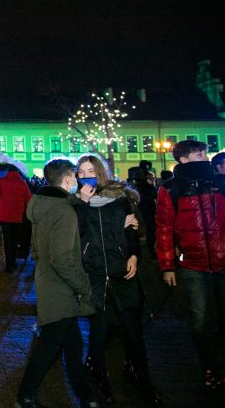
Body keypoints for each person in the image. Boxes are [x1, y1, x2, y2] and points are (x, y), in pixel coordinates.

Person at [75, 155, 160, 405]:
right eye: (81, 172)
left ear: (101, 172)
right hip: (94, 272)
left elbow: (133, 231)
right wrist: (82, 204)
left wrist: (134, 254)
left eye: (91, 170)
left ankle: (141, 376)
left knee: (132, 329)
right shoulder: (76, 203)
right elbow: (76, 236)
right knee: (99, 330)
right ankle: (100, 378)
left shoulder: (120, 198)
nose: (86, 174)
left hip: (122, 270)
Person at [14, 159, 98, 408]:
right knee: (49, 348)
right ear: (67, 179)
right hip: (61, 287)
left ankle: (87, 397)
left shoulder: (43, 203)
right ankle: (25, 397)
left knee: (71, 346)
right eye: (75, 175)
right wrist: (83, 286)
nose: (79, 180)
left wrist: (80, 202)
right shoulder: (63, 211)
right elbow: (61, 258)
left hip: (48, 282)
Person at [156, 139, 225, 391]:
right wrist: (167, 266)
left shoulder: (219, 182)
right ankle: (211, 366)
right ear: (182, 159)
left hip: (223, 260)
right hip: (193, 265)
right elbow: (163, 229)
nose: (204, 156)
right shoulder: (170, 189)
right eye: (198, 153)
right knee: (200, 322)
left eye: (204, 152)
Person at [0, 168, 32, 272]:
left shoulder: (3, 181)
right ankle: (14, 262)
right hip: (17, 216)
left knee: (7, 239)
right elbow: (28, 198)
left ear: (8, 172)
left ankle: (9, 265)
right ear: (17, 172)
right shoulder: (22, 183)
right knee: (15, 239)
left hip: (4, 216)